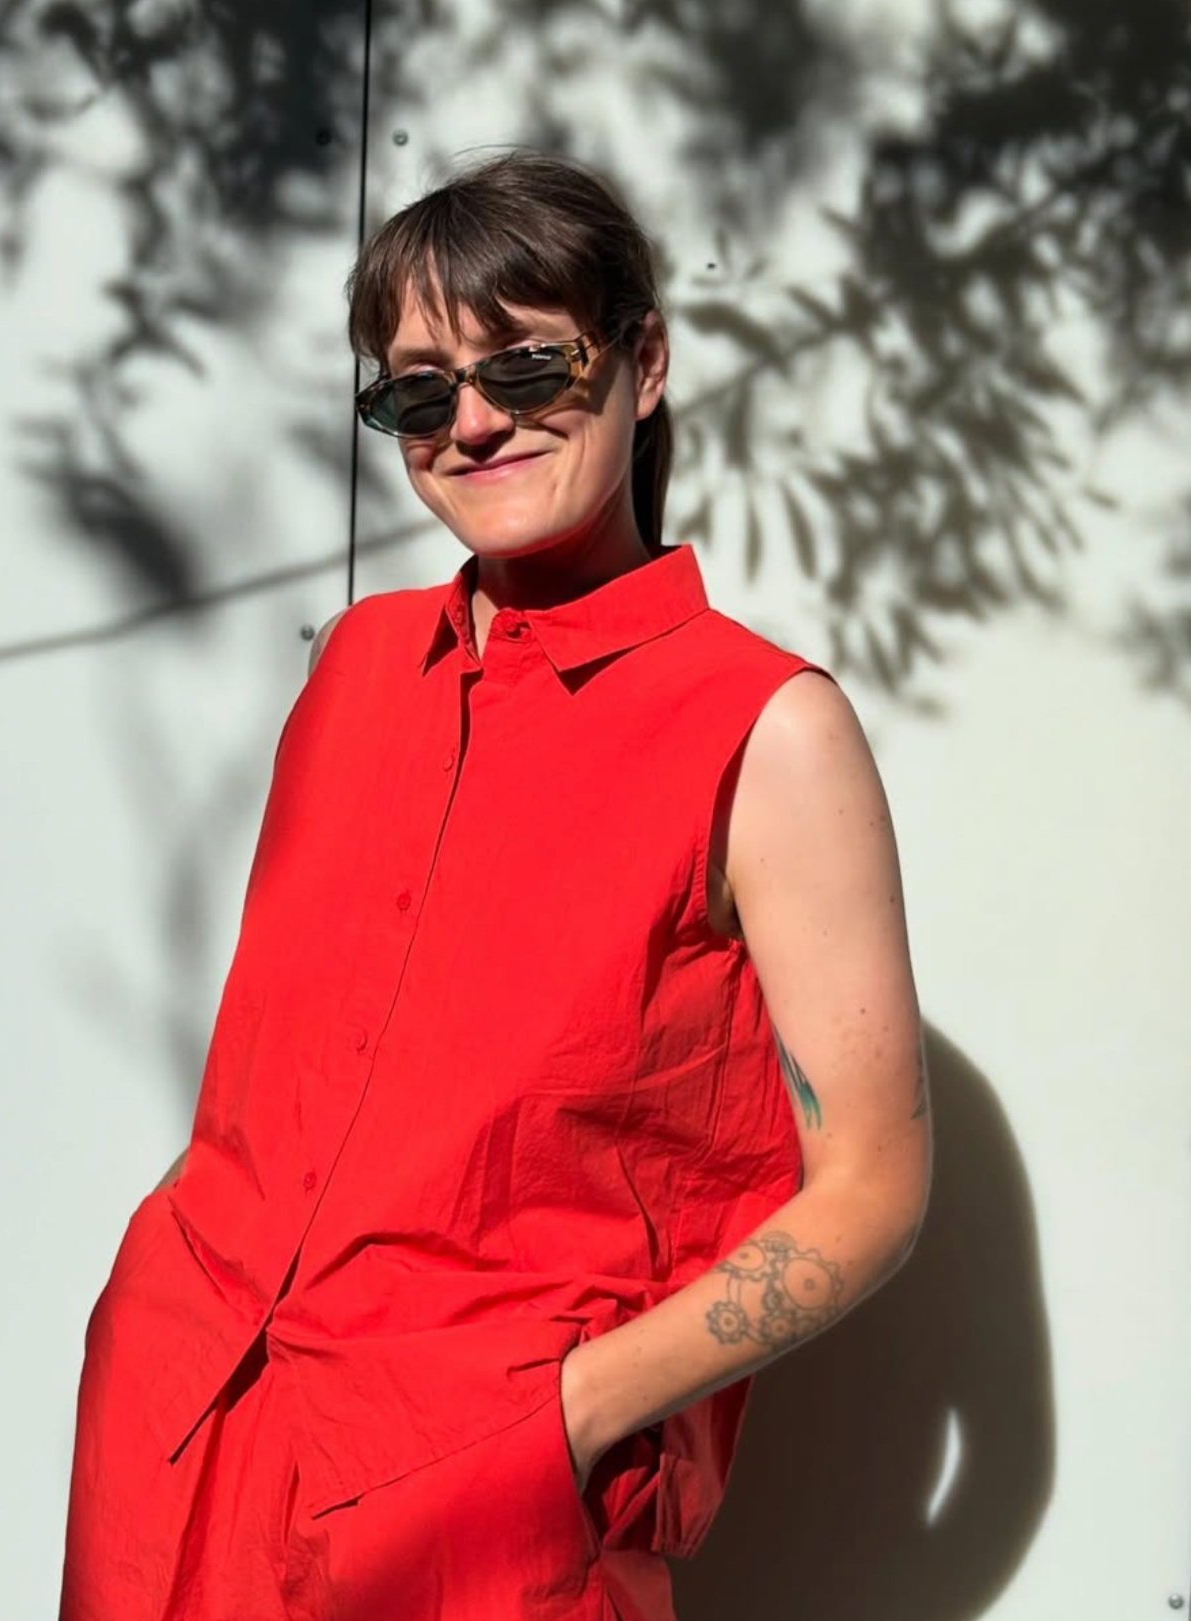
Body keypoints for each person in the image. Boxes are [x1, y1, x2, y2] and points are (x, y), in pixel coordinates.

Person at [59, 148, 932, 1621]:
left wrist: (567, 1417)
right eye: (416, 391)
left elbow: (875, 1187)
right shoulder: (352, 671)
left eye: (525, 366)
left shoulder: (763, 727)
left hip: (474, 1498)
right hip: (180, 1437)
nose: (471, 423)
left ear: (641, 362)